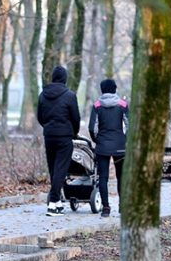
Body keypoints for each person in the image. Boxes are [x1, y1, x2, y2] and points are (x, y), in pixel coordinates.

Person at [37, 66, 80, 217]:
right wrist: (74, 132)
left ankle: (58, 203)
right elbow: (75, 118)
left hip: (49, 136)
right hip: (64, 136)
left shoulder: (43, 95)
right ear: (65, 79)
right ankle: (53, 202)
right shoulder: (70, 95)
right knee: (61, 170)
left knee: (53, 170)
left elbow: (40, 117)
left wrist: (48, 127)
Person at [88, 78, 128, 218]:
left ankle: (105, 208)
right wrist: (125, 139)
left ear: (102, 90)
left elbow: (92, 128)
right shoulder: (123, 104)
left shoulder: (97, 105)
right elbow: (129, 125)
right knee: (121, 176)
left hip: (102, 146)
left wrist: (97, 140)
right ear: (115, 89)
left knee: (103, 177)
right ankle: (122, 206)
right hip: (120, 146)